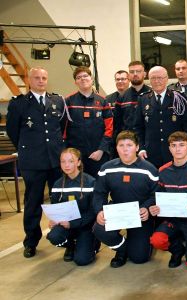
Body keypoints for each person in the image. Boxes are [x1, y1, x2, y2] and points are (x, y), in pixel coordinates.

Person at [7, 67, 66, 258]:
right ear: (29, 80)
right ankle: (31, 241)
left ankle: (64, 236)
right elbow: (13, 132)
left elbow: (62, 127)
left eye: (44, 78)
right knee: (33, 202)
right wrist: (29, 148)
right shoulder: (19, 104)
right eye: (37, 78)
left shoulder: (56, 101)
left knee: (59, 199)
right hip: (32, 161)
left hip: (55, 160)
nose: (41, 81)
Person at [92, 130, 159, 268]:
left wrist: (146, 208)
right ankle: (122, 250)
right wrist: (99, 211)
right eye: (121, 145)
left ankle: (142, 242)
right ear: (116, 148)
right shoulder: (107, 168)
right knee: (99, 229)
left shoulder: (150, 169)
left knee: (140, 258)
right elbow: (99, 193)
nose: (125, 149)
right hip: (117, 211)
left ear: (137, 147)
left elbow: (156, 195)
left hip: (140, 216)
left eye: (129, 145)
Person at [148, 131, 187, 269]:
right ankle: (177, 250)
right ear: (169, 148)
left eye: (182, 145)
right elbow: (157, 195)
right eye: (174, 145)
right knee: (157, 240)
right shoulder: (163, 171)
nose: (178, 149)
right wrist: (155, 207)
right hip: (172, 219)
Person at [46, 148, 97, 266]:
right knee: (54, 236)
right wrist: (53, 219)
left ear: (78, 162)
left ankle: (93, 244)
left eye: (71, 161)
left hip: (85, 226)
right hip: (66, 225)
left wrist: (73, 224)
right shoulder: (57, 184)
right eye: (63, 162)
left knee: (82, 260)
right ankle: (71, 245)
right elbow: (55, 207)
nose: (66, 165)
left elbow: (93, 211)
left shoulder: (90, 182)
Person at [134, 66, 187, 168]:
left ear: (167, 79)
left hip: (174, 152)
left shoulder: (178, 97)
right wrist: (141, 148)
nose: (157, 81)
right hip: (150, 153)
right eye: (153, 78)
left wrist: (186, 148)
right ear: (148, 79)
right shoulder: (143, 99)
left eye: (160, 78)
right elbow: (138, 127)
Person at [64, 66, 114, 177]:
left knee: (99, 188)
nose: (82, 79)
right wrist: (70, 154)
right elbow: (64, 129)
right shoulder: (68, 101)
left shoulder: (102, 101)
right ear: (75, 82)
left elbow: (109, 128)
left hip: (98, 155)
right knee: (78, 188)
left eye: (85, 76)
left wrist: (101, 150)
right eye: (79, 77)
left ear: (91, 79)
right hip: (75, 157)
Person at [113, 61, 151, 135]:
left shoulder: (152, 94)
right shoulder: (122, 97)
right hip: (128, 141)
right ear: (129, 75)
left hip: (147, 140)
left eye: (138, 71)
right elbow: (117, 124)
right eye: (132, 72)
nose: (135, 74)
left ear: (144, 74)